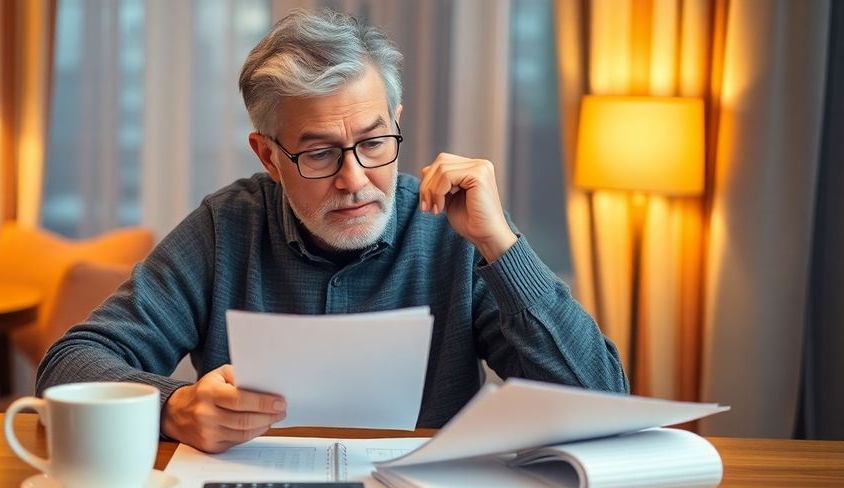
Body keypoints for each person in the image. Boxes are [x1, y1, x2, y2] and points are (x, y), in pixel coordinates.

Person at [37, 9, 628, 453]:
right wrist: (176, 406)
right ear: (268, 157)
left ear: (396, 124)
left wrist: (502, 247)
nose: (353, 179)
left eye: (373, 144)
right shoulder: (224, 229)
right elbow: (68, 364)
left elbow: (602, 402)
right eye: (319, 153)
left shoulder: (457, 229)